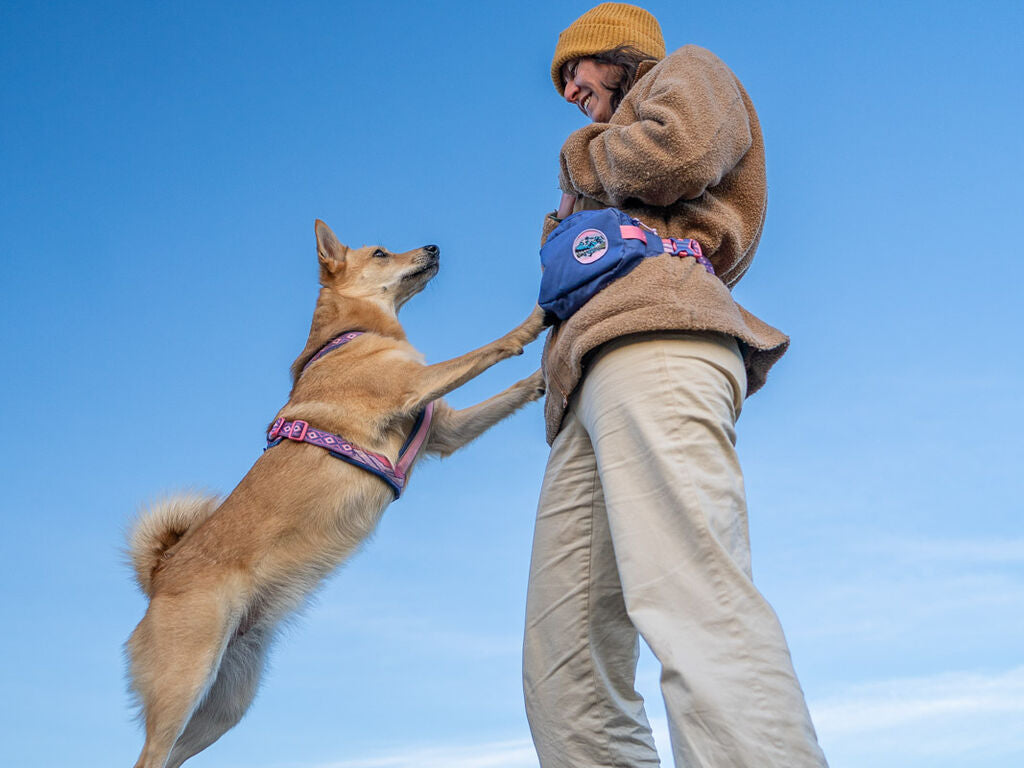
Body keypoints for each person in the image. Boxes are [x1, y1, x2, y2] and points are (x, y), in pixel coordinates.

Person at [522, 4, 829, 767]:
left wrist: (579, 159)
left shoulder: (687, 71)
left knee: (691, 599)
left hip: (657, 336)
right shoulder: (604, 150)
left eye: (576, 69)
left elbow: (677, 154)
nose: (567, 89)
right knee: (564, 665)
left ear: (621, 53)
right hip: (581, 386)